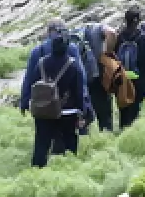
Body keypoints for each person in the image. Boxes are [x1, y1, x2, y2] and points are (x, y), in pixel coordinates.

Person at [23, 29, 88, 167]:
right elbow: (78, 92)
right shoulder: (73, 65)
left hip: (43, 111)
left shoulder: (41, 63)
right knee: (69, 145)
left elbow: (32, 84)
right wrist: (82, 112)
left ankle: (36, 171)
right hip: (67, 113)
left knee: (41, 145)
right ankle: (67, 171)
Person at [21, 19, 92, 135]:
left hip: (43, 107)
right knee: (67, 142)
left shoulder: (37, 51)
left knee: (44, 141)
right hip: (68, 106)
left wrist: (24, 102)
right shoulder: (71, 48)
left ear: (48, 32)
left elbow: (29, 79)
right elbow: (81, 80)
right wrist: (85, 106)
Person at [114, 9, 145, 128]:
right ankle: (132, 130)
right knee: (135, 106)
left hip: (121, 78)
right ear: (138, 21)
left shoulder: (117, 39)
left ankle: (122, 128)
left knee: (123, 106)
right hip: (140, 78)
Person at [83, 24, 115, 132]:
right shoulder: (99, 28)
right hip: (99, 73)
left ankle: (85, 137)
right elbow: (112, 32)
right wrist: (108, 54)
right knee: (104, 112)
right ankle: (106, 135)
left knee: (85, 110)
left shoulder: (79, 31)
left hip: (84, 75)